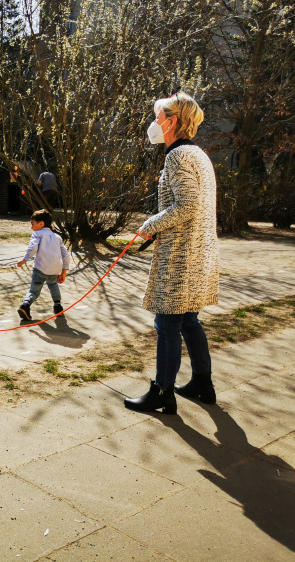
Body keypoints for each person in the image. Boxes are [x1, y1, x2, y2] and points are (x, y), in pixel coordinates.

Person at [125, 92, 218, 415]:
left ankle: (163, 391)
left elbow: (187, 205)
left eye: (158, 117)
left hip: (181, 256)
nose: (154, 123)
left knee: (167, 322)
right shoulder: (199, 155)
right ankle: (203, 384)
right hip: (197, 252)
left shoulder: (177, 156)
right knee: (189, 319)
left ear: (172, 121)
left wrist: (150, 225)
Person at [16, 209, 70, 321]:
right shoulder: (57, 237)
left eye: (32, 224)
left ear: (41, 224)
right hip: (54, 270)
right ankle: (58, 307)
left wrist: (24, 260)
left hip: (40, 269)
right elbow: (66, 255)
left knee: (34, 291)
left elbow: (33, 248)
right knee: (53, 284)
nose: (31, 227)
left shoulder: (37, 234)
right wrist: (63, 272)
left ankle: (25, 305)